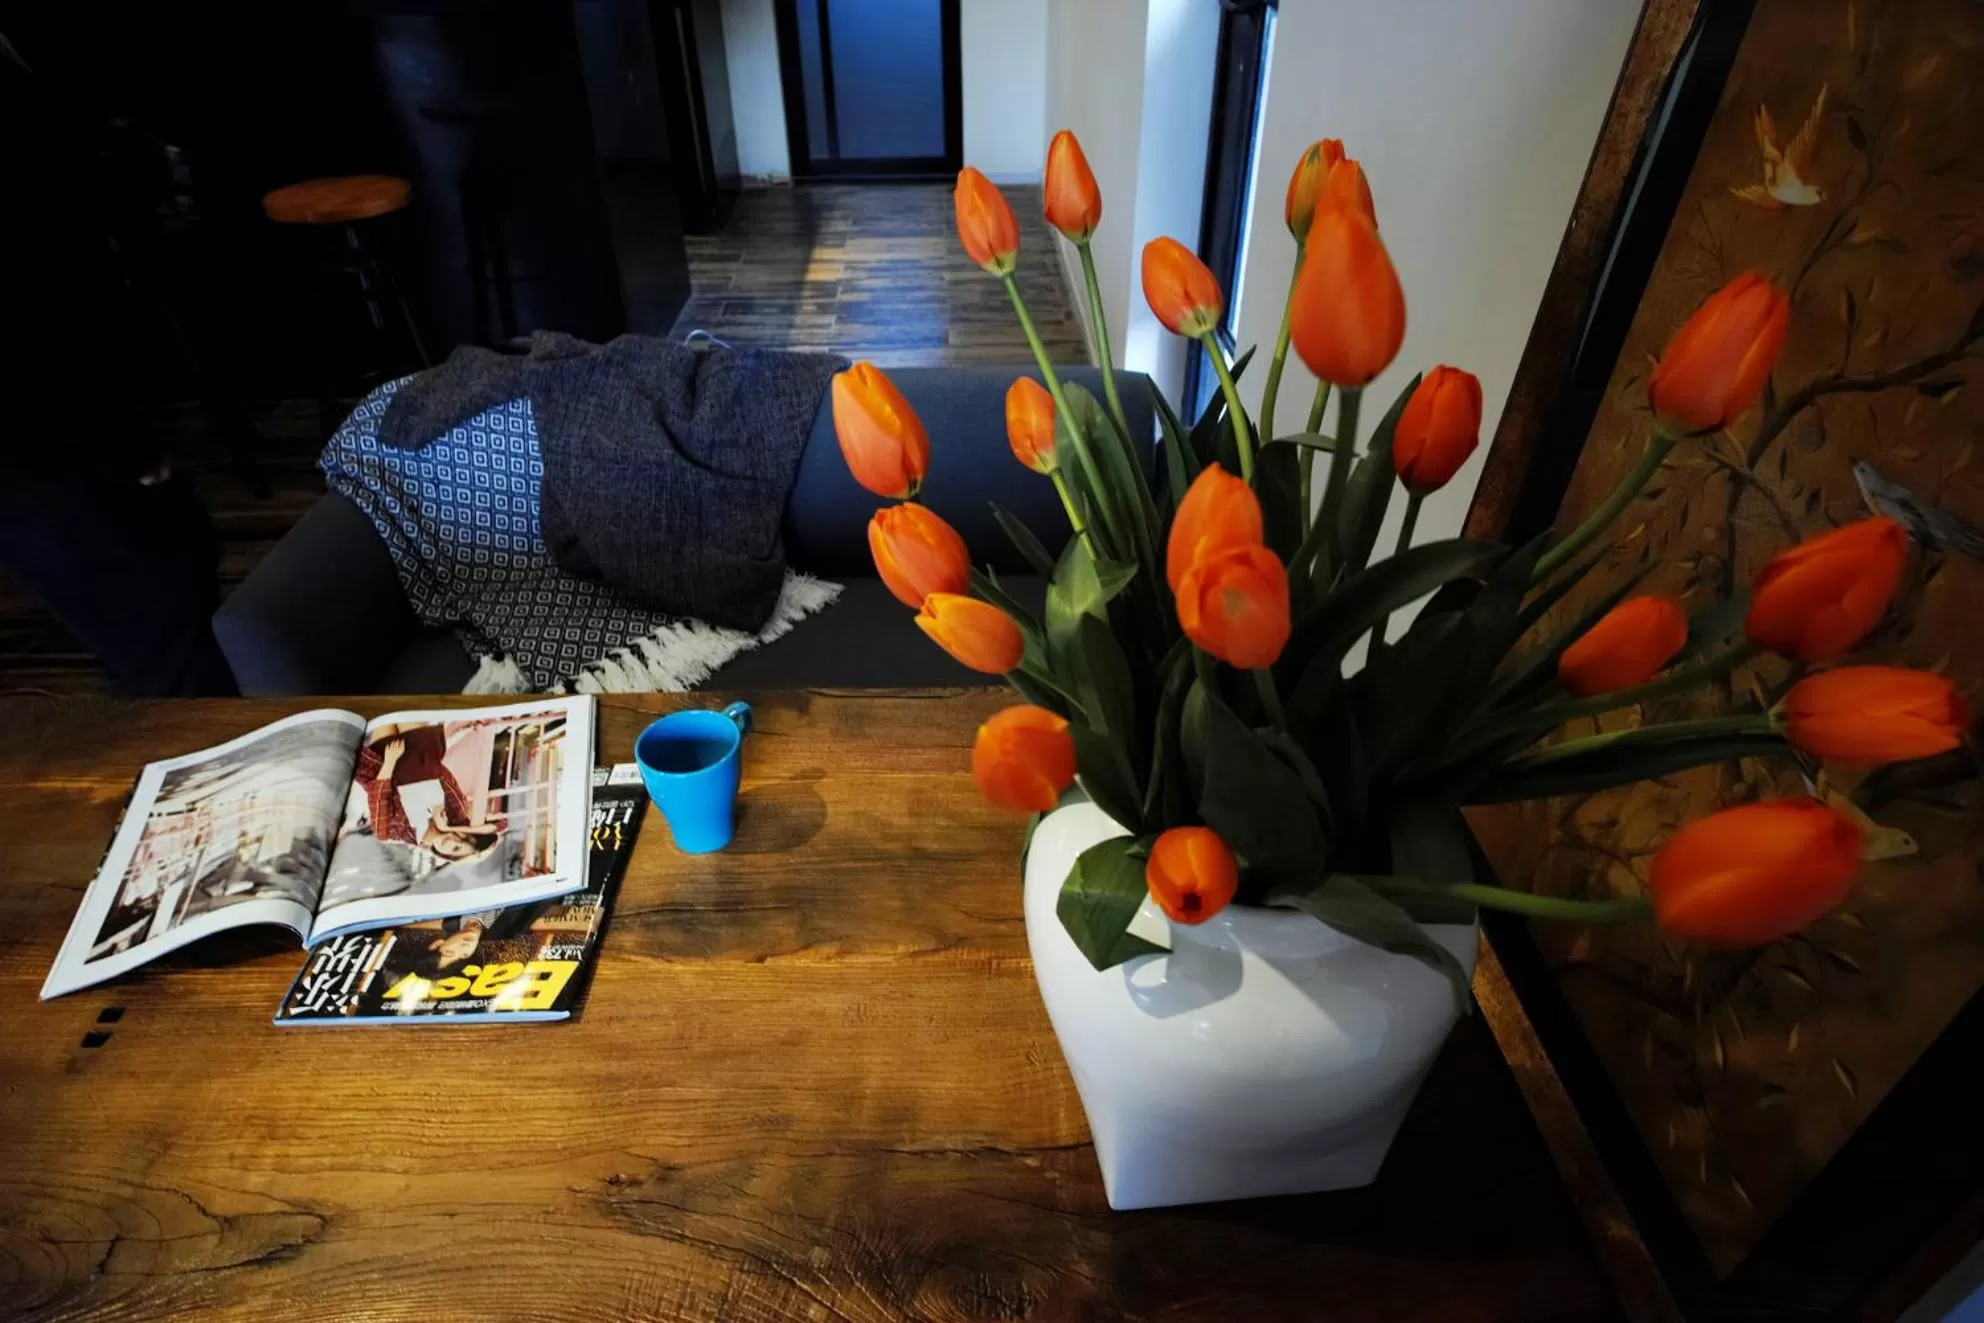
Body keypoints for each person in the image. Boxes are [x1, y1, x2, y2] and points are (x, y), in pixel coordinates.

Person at [0, 31, 235, 695]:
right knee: (161, 627)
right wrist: (119, 440)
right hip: (41, 430)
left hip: (73, 397)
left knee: (184, 563)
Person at [351, 722, 506, 862]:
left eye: (455, 848)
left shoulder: (391, 834)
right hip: (422, 749)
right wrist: (451, 827)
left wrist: (390, 762)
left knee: (386, 710)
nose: (453, 840)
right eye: (464, 839)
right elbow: (498, 827)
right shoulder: (455, 814)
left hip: (385, 759)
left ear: (445, 855)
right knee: (406, 702)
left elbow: (378, 797)